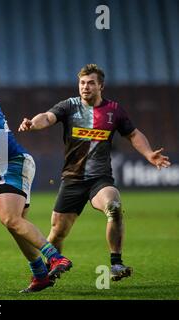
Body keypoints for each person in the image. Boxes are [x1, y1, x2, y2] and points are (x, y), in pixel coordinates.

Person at [18, 64, 171, 281]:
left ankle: (116, 264)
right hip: (72, 178)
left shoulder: (114, 110)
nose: (85, 87)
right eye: (82, 83)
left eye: (91, 83)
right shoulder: (69, 106)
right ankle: (49, 271)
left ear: (101, 86)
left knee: (114, 206)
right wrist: (33, 123)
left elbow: (133, 134)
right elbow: (48, 117)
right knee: (58, 231)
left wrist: (148, 154)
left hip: (100, 179)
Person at [0, 64, 72, 292]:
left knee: (10, 219)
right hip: (11, 165)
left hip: (13, 164)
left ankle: (55, 258)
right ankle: (40, 275)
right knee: (15, 225)